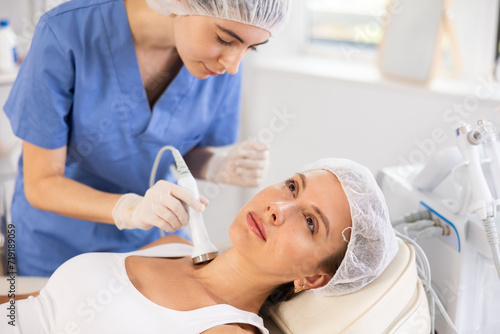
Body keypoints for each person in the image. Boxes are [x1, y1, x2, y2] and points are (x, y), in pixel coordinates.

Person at [3, 0, 290, 277]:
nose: (233, 65)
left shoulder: (219, 61)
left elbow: (167, 148)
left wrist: (218, 166)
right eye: (225, 40)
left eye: (251, 48)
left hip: (153, 242)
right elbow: (41, 184)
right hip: (56, 247)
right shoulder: (66, 32)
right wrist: (129, 209)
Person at [0, 158, 399, 333]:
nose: (278, 207)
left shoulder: (224, 331)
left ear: (312, 278)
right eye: (292, 186)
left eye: (310, 222)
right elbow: (34, 304)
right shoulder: (171, 244)